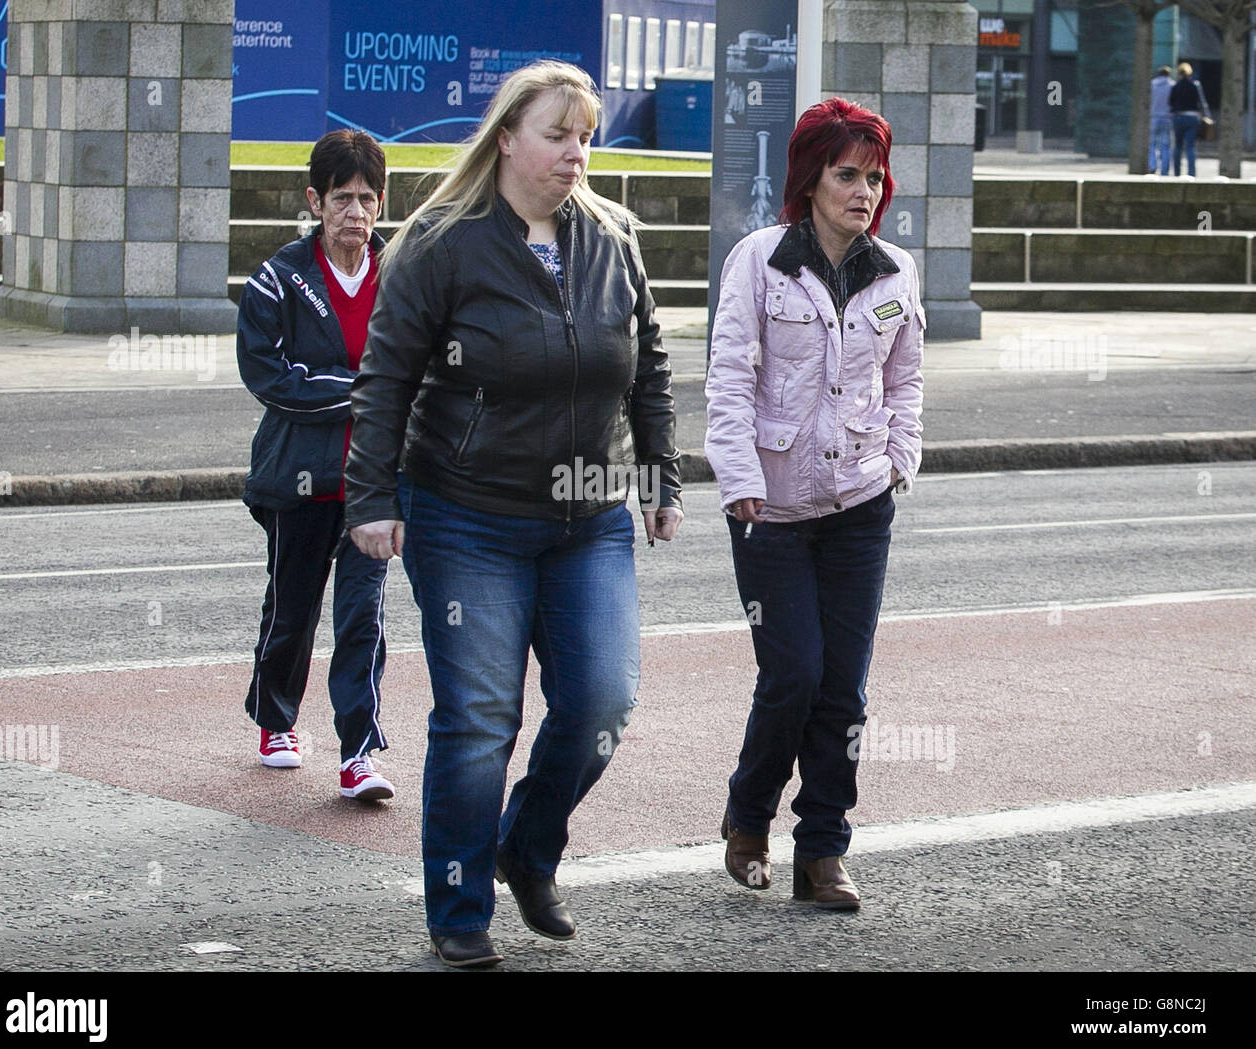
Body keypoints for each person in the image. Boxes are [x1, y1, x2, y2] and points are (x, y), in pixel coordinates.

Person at [345, 60, 683, 967]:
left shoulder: (613, 236)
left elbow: (645, 360)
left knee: (602, 702)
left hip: (589, 516)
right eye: (557, 134)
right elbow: (384, 382)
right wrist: (372, 498)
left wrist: (661, 475)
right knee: (482, 716)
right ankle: (459, 912)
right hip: (467, 515)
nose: (576, 153)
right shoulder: (439, 242)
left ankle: (526, 849)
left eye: (586, 136)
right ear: (506, 138)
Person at [704, 97, 924, 911]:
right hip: (771, 508)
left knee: (845, 689)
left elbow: (905, 378)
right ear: (811, 178)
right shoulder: (759, 260)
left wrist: (901, 457)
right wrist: (739, 479)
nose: (863, 191)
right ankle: (749, 815)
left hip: (861, 503)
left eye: (873, 176)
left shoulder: (895, 271)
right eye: (846, 174)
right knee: (792, 673)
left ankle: (823, 849)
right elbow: (728, 377)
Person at [236, 130, 396, 802]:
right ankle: (276, 719)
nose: (354, 212)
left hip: (373, 486)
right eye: (340, 198)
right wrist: (363, 389)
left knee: (363, 619)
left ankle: (359, 755)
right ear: (314, 201)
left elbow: (417, 367)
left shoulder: (403, 276)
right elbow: (269, 374)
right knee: (292, 610)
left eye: (365, 198)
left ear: (380, 204)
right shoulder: (279, 277)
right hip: (297, 480)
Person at [1169, 61, 1211, 178]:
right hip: (1193, 117)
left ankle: (1177, 173)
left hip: (1178, 117)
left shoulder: (1175, 86)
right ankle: (1191, 173)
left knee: (1177, 145)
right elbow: (1202, 102)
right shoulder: (1195, 85)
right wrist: (1207, 116)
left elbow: (1171, 102)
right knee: (1190, 146)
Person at [1149, 65, 1174, 176]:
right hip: (1167, 117)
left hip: (1153, 116)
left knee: (1152, 144)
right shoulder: (1172, 85)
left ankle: (1152, 165)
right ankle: (1165, 169)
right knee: (1166, 145)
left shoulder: (1152, 84)